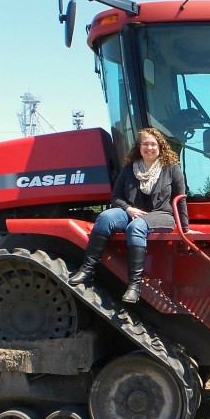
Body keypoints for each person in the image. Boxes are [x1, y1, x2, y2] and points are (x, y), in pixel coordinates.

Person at [68, 127, 189, 303]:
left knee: (136, 227)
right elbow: (116, 197)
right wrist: (128, 209)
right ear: (139, 147)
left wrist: (185, 229)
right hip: (132, 211)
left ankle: (134, 285)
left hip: (161, 215)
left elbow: (180, 199)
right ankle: (88, 269)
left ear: (160, 146)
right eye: (145, 144)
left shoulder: (171, 169)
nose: (149, 148)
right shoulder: (129, 169)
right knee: (105, 218)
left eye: (153, 144)